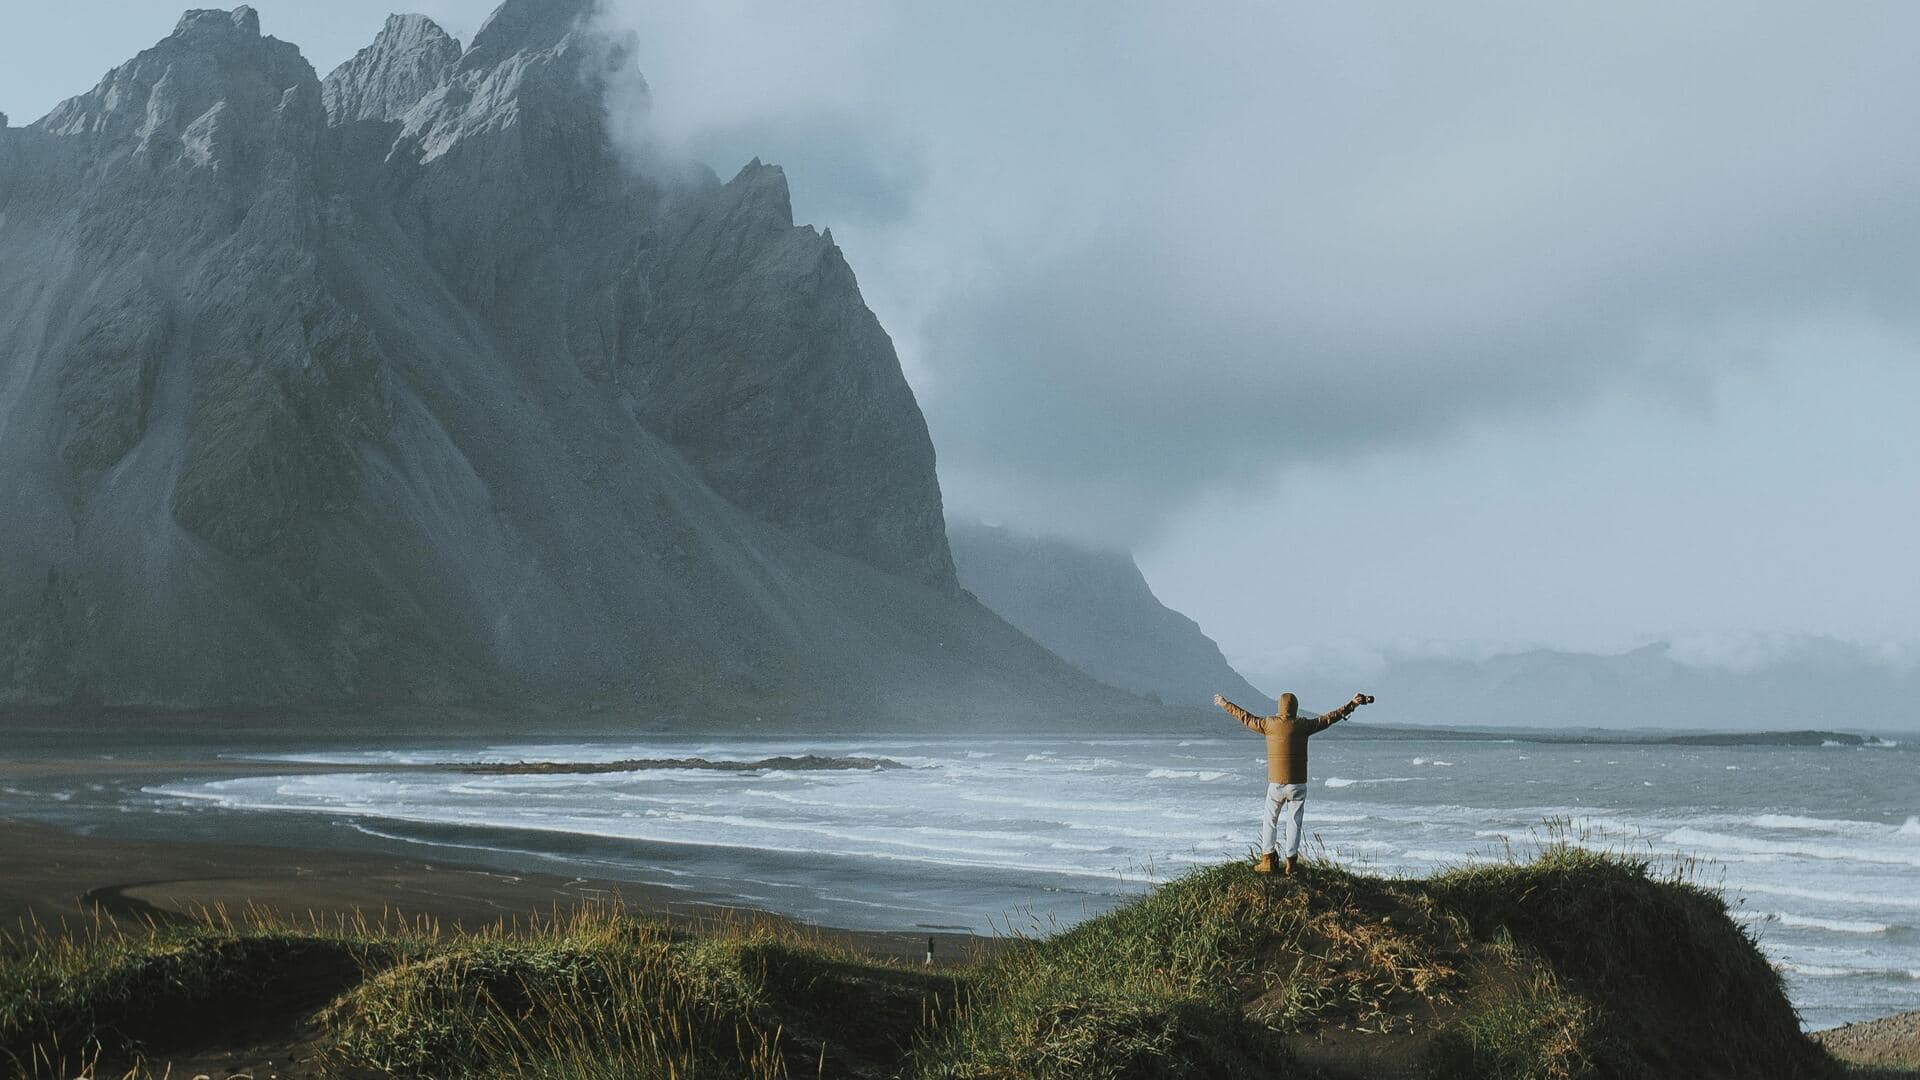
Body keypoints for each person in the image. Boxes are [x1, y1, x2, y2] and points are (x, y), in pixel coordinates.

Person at [1213, 690, 1375, 874]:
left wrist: (1224, 703)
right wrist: (1351, 704)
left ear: (1279, 707)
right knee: (1294, 823)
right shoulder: (1303, 724)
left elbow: (1244, 717)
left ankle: (1268, 860)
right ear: (1296, 708)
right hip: (1298, 784)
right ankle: (1291, 864)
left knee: (1270, 820)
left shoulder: (1268, 723)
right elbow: (1329, 718)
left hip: (1276, 784)